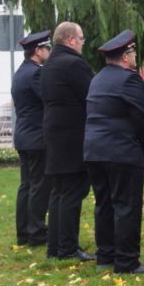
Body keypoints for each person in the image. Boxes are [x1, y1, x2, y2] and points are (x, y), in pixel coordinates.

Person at [84, 30, 144, 274]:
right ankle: (126, 261)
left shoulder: (97, 79)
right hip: (121, 151)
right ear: (125, 57)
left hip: (94, 151)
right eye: (133, 52)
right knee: (126, 206)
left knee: (104, 204)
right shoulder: (130, 80)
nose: (135, 56)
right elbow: (142, 118)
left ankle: (105, 256)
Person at [40, 21, 95, 261]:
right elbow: (92, 94)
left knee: (59, 191)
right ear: (70, 39)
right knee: (73, 190)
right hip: (72, 136)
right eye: (81, 39)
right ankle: (68, 248)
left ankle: (55, 247)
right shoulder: (73, 63)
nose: (82, 43)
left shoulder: (49, 64)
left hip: (54, 134)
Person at [12, 30, 52, 247]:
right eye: (47, 48)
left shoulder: (20, 72)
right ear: (38, 51)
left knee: (26, 185)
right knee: (39, 185)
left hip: (24, 136)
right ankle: (36, 232)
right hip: (37, 137)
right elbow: (48, 99)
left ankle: (23, 232)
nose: (49, 52)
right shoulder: (36, 73)